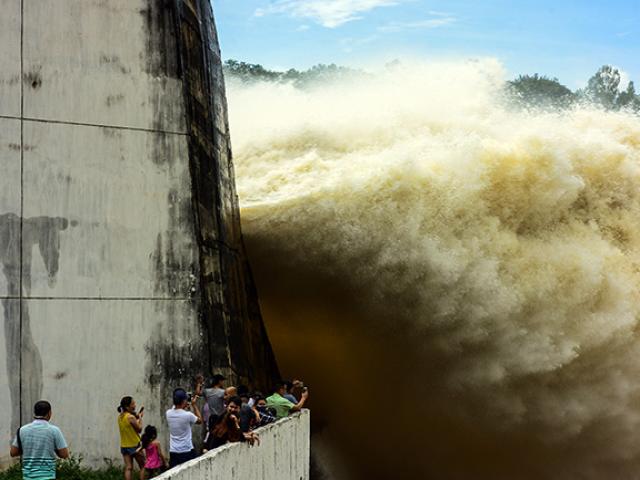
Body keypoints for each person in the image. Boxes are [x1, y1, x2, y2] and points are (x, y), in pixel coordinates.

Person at [9, 400, 69, 480]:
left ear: (34, 412)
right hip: (48, 476)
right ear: (49, 413)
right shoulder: (54, 430)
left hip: (28, 477)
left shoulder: (22, 430)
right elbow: (64, 454)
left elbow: (13, 453)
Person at [166, 388, 202, 468]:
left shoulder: (168, 413)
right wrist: (194, 405)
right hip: (187, 450)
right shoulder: (188, 415)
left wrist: (183, 406)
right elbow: (200, 421)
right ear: (184, 401)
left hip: (174, 451)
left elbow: (175, 409)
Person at [117, 396, 145, 480]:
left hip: (124, 446)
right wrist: (140, 417)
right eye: (133, 404)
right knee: (143, 466)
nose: (135, 405)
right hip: (135, 445)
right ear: (127, 406)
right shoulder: (130, 417)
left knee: (128, 467)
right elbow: (139, 429)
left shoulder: (120, 417)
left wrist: (136, 417)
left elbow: (130, 425)